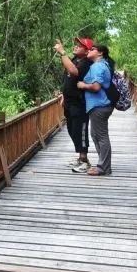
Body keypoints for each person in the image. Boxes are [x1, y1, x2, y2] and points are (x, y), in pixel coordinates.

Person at [54, 37, 93, 172]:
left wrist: (63, 53)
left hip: (79, 103)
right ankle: (80, 158)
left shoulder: (87, 63)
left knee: (80, 130)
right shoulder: (75, 60)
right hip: (69, 102)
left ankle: (84, 160)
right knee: (72, 130)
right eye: (76, 45)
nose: (76, 47)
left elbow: (74, 72)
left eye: (80, 46)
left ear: (87, 51)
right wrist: (63, 95)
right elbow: (67, 78)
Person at [77, 44, 114, 176]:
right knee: (95, 135)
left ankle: (103, 168)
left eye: (92, 49)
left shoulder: (98, 66)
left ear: (100, 53)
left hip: (100, 105)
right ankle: (102, 165)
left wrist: (82, 85)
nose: (89, 50)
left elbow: (96, 87)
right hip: (98, 106)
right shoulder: (100, 65)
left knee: (101, 136)